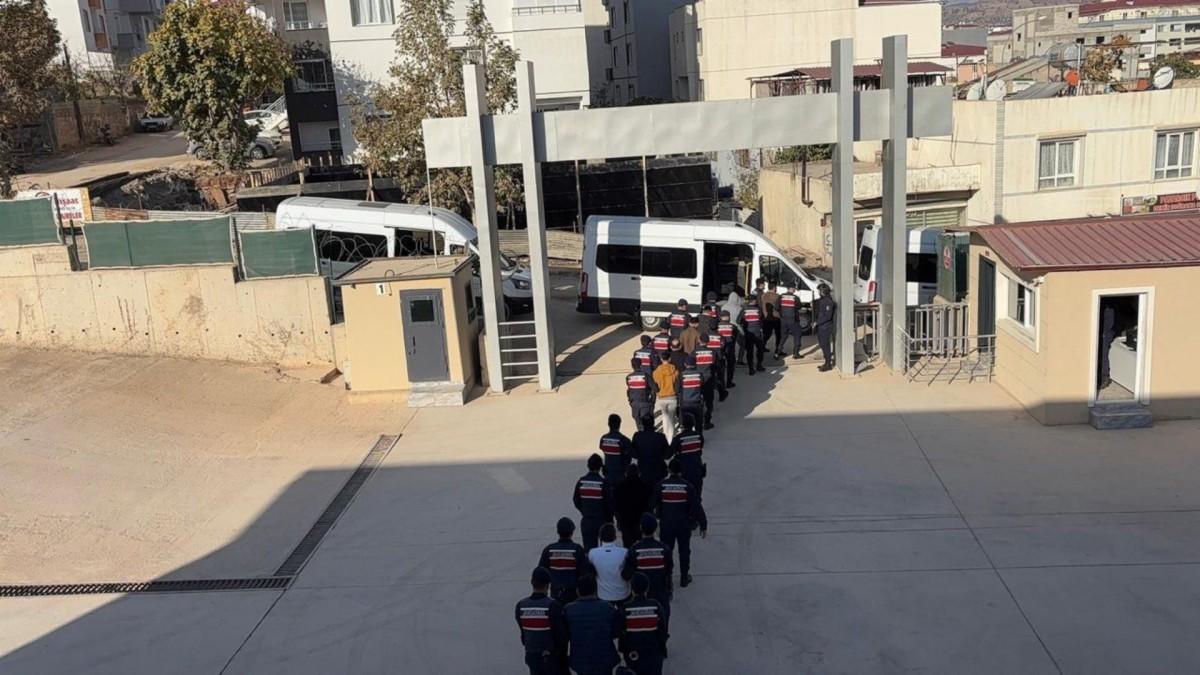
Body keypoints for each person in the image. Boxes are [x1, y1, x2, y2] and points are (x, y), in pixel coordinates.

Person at [655, 458, 707, 589]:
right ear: (681, 471)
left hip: (666, 524)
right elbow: (696, 506)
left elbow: (651, 504)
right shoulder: (687, 487)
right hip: (683, 525)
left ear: (668, 470)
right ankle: (684, 577)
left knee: (666, 551)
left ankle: (668, 579)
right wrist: (703, 524)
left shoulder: (661, 486)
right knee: (684, 551)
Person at [563, 575, 622, 675]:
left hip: (580, 660)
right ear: (596, 590)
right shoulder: (608, 608)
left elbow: (564, 635)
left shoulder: (568, 610)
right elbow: (616, 632)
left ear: (578, 591)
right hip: (605, 659)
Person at [516, 567, 568, 675]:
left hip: (532, 656)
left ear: (532, 583)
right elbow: (561, 636)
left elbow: (523, 633)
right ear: (548, 585)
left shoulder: (521, 606)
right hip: (551, 658)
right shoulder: (553, 606)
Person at [622, 514, 673, 619]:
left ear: (641, 528)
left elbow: (626, 575)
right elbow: (669, 571)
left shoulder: (634, 550)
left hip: (641, 600)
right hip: (661, 596)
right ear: (655, 528)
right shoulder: (664, 549)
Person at [619, 573, 669, 675]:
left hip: (633, 653)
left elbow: (619, 629)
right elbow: (663, 629)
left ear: (632, 590)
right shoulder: (655, 606)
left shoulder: (625, 608)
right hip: (653, 652)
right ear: (647, 588)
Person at [539, 517, 589, 604]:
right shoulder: (577, 549)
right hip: (573, 594)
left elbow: (541, 572)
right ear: (572, 532)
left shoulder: (549, 550)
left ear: (558, 532)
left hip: (556, 593)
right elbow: (584, 573)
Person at [574, 454, 614, 551]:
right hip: (601, 520)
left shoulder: (581, 482)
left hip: (587, 520)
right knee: (605, 550)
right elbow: (609, 504)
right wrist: (609, 520)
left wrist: (584, 511)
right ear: (600, 467)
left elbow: (576, 500)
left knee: (589, 552)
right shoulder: (603, 483)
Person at [588, 524, 630, 605]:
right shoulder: (624, 552)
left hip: (603, 595)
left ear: (600, 537)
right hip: (623, 594)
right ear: (615, 537)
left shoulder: (592, 553)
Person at [614, 464, 653, 548]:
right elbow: (649, 505)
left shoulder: (619, 487)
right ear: (639, 473)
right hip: (640, 523)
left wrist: (619, 521)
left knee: (628, 547)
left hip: (625, 523)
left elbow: (615, 506)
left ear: (626, 473)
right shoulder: (645, 486)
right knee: (641, 549)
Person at [669, 418, 705, 497]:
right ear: (693, 424)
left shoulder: (678, 438)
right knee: (697, 496)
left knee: (685, 496)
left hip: (684, 471)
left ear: (683, 425)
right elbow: (700, 447)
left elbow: (669, 453)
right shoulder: (699, 435)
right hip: (697, 470)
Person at [631, 418, 670, 488]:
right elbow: (667, 455)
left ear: (643, 424)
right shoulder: (661, 436)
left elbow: (634, 454)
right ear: (653, 423)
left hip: (643, 472)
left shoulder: (637, 436)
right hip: (658, 473)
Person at [691, 336, 720, 429]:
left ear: (699, 341)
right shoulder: (712, 352)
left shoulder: (694, 352)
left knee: (698, 400)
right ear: (708, 342)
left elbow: (691, 365)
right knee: (709, 401)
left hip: (697, 379)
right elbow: (716, 366)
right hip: (709, 379)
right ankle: (707, 422)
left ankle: (697, 421)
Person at [650, 355, 680, 442]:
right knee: (672, 417)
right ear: (669, 359)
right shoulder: (675, 371)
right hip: (672, 396)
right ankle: (670, 438)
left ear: (661, 359)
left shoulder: (656, 372)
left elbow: (655, 384)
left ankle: (665, 434)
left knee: (664, 416)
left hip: (662, 397)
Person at [599, 414, 633, 487]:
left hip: (608, 476)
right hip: (621, 476)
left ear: (608, 424)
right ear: (619, 424)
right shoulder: (625, 440)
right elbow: (629, 456)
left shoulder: (604, 439)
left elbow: (602, 448)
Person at [775, 281, 805, 360]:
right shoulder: (795, 298)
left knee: (783, 337)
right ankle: (796, 353)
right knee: (797, 335)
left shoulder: (781, 297)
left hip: (784, 320)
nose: (795, 289)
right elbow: (799, 307)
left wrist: (782, 313)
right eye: (794, 288)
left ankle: (777, 353)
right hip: (793, 320)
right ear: (791, 288)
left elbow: (776, 307)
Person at [625, 359, 654, 433]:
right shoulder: (646, 376)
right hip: (645, 403)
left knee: (638, 424)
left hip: (634, 404)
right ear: (641, 365)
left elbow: (629, 390)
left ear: (632, 366)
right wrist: (652, 401)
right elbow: (654, 388)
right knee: (647, 424)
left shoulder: (628, 377)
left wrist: (630, 402)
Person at [677, 357, 705, 434]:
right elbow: (702, 387)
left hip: (685, 402)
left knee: (686, 423)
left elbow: (678, 389)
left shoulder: (682, 375)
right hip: (697, 401)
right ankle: (699, 438)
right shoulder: (699, 374)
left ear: (685, 364)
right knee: (699, 423)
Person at [814, 282, 837, 372]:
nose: (819, 292)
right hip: (821, 326)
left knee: (825, 344)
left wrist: (817, 322)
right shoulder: (822, 300)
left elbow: (828, 316)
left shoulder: (828, 302)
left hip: (825, 326)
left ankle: (828, 363)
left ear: (823, 291)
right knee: (822, 344)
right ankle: (826, 362)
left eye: (820, 291)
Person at [741, 295, 765, 374]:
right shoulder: (758, 309)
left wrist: (745, 325)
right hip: (757, 333)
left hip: (748, 333)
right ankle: (759, 365)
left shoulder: (744, 309)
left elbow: (738, 320)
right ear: (754, 300)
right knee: (760, 350)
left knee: (750, 351)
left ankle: (751, 368)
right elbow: (762, 319)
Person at [703, 331, 729, 403]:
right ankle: (722, 393)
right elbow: (724, 347)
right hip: (718, 359)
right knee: (720, 377)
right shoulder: (721, 336)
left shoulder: (705, 335)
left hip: (707, 361)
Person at [716, 309, 739, 390]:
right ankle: (729, 382)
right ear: (729, 317)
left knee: (719, 367)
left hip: (719, 349)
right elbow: (735, 338)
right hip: (730, 349)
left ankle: (719, 383)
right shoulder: (733, 327)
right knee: (730, 366)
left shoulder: (717, 326)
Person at [760, 281, 781, 356]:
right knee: (778, 335)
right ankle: (777, 350)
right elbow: (779, 307)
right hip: (776, 318)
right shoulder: (777, 296)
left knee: (766, 334)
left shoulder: (763, 295)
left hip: (766, 318)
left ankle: (761, 347)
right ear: (775, 288)